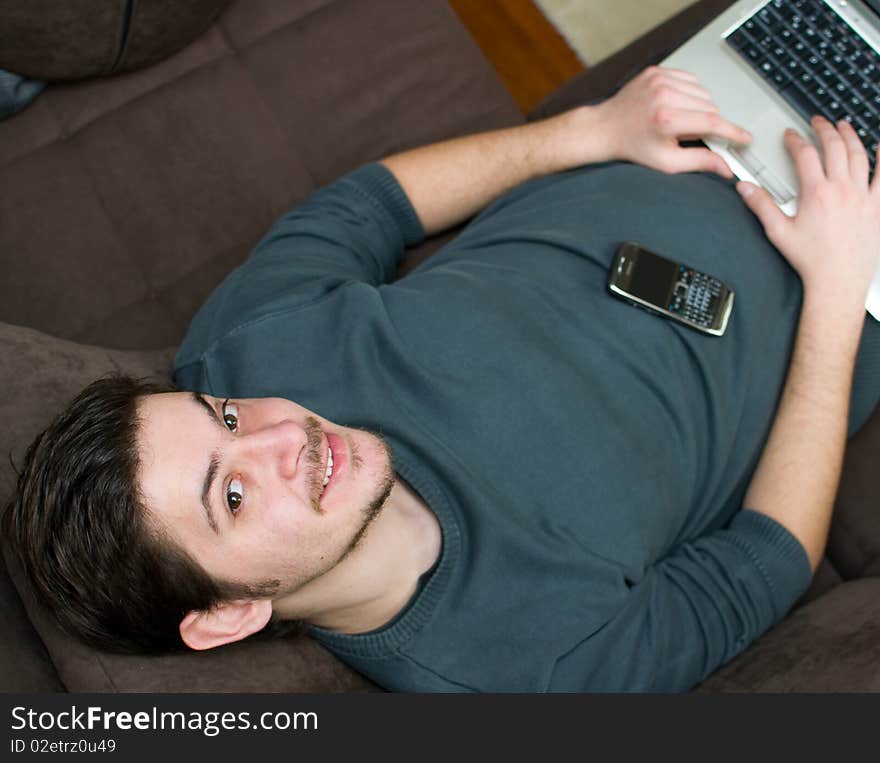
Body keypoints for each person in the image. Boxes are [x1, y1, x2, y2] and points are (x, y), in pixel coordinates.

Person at [5, 66, 880, 692]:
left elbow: (359, 212)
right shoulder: (526, 671)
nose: (281, 435)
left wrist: (592, 130)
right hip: (848, 287)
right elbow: (759, 571)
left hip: (693, 132)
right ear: (229, 615)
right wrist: (838, 293)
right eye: (231, 496)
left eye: (224, 418)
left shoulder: (242, 347)